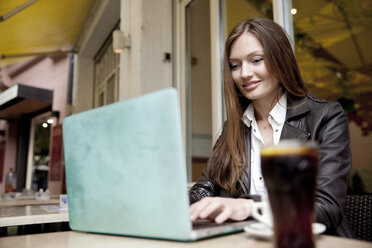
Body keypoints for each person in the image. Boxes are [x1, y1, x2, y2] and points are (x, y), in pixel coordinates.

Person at [189, 17, 353, 237]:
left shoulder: (325, 117)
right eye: (235, 65)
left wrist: (249, 207)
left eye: (256, 60)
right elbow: (203, 191)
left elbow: (325, 208)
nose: (244, 73)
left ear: (281, 60)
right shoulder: (234, 128)